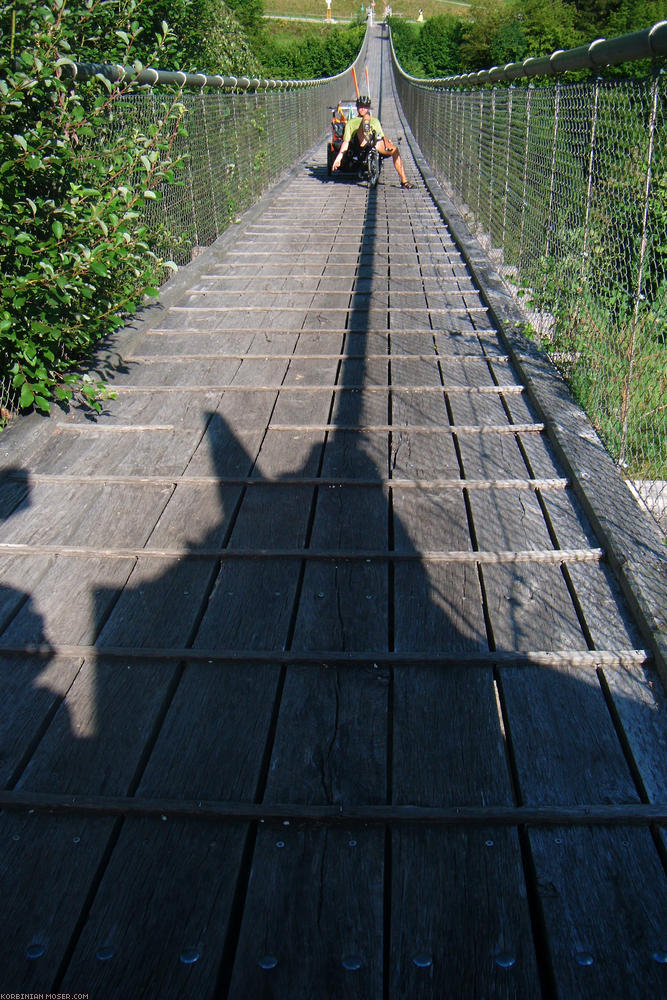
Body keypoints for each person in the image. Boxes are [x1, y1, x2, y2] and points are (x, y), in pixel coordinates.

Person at [331, 95, 414, 189]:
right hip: (359, 143)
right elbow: (346, 142)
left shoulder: (375, 121)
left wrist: (388, 144)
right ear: (357, 107)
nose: (362, 109)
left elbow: (382, 136)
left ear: (368, 107)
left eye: (365, 107)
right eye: (360, 106)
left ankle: (404, 181)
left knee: (395, 150)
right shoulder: (351, 122)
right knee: (365, 120)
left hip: (374, 142)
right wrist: (339, 157)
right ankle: (365, 128)